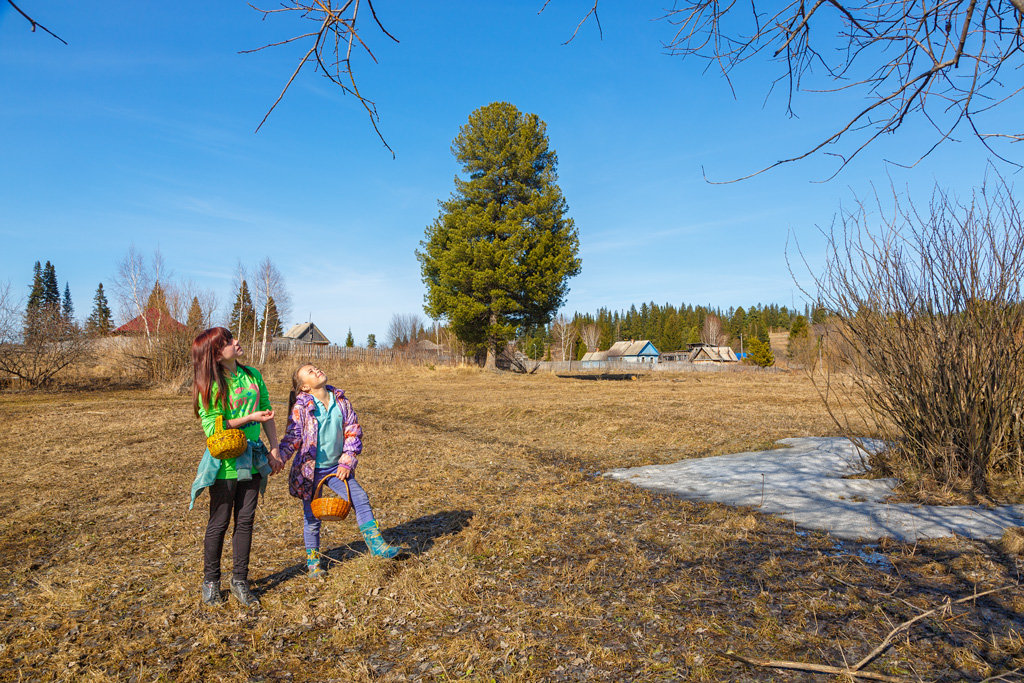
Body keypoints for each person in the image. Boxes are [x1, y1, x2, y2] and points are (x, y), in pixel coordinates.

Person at [189, 327, 284, 607]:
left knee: (245, 522)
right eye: (229, 341)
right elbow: (212, 426)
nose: (236, 342)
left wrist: (274, 448)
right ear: (216, 353)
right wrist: (248, 417)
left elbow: (267, 413)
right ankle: (211, 582)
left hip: (253, 461)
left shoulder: (252, 375)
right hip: (224, 464)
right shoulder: (211, 384)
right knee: (218, 523)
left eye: (232, 338)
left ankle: (240, 580)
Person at [279, 363, 402, 576]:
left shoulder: (341, 400)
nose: (316, 370)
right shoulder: (301, 407)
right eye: (310, 372)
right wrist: (278, 458)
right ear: (305, 388)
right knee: (312, 518)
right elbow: (293, 437)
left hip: (337, 468)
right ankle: (314, 565)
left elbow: (352, 431)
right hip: (311, 471)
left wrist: (347, 461)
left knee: (360, 498)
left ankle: (377, 547)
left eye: (315, 367)